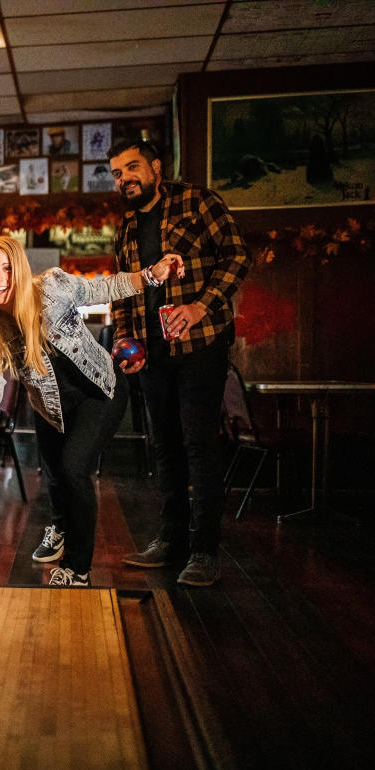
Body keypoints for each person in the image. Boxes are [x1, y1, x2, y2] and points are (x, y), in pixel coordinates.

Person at [0, 235, 183, 587]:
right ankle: (61, 525)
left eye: (6, 268)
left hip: (100, 391)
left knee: (73, 469)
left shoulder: (52, 286)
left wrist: (151, 275)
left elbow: (103, 288)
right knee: (55, 476)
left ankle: (78, 569)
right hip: (50, 407)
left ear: (18, 270)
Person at [107, 139, 250, 587]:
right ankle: (171, 540)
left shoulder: (197, 201)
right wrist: (125, 340)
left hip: (201, 346)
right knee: (165, 447)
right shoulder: (127, 227)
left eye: (131, 168)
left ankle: (205, 549)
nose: (124, 179)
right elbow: (123, 289)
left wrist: (200, 307)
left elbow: (237, 256)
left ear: (154, 167)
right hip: (151, 354)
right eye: (116, 173)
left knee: (198, 444)